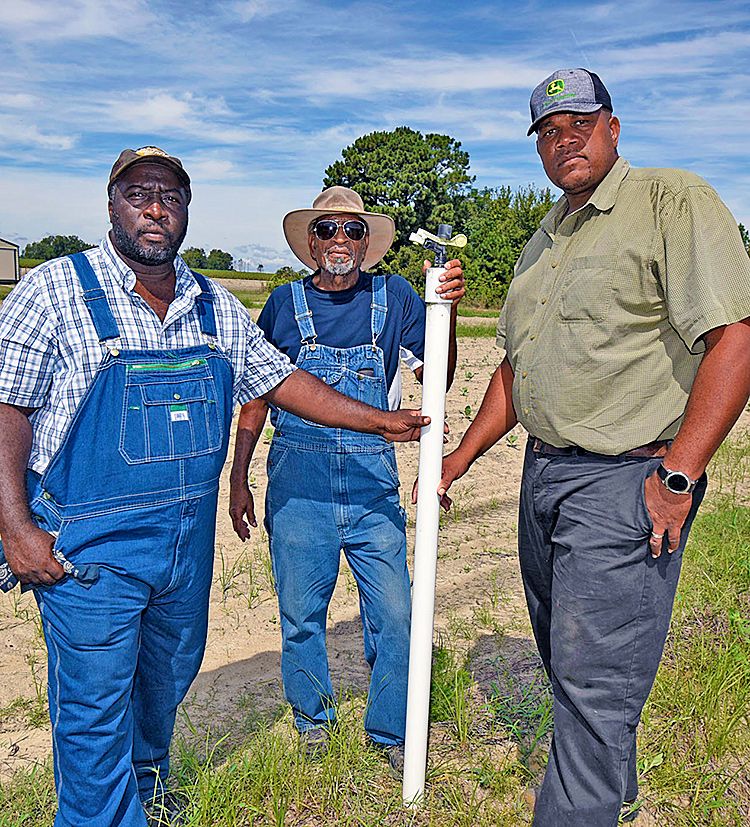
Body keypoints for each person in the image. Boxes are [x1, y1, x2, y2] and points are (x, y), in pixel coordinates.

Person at [0, 148, 431, 827]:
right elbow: (7, 408)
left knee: (164, 680)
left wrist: (381, 420)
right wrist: (14, 525)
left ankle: (148, 780)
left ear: (187, 210)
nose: (154, 206)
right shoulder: (55, 288)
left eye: (169, 194)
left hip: (182, 548)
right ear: (111, 204)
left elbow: (280, 381)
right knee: (93, 706)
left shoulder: (212, 304)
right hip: (88, 551)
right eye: (137, 192)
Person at [426, 69, 750, 825]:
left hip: (626, 478)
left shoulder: (670, 201)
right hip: (545, 476)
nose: (563, 138)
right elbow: (517, 367)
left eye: (579, 121)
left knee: (593, 682)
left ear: (613, 126)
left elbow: (733, 336)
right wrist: (459, 457)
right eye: (547, 130)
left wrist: (679, 474)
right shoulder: (546, 238)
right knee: (567, 660)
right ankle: (615, 787)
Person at [229, 186, 465, 770]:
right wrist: (238, 478)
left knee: (395, 614)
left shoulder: (397, 296)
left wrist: (448, 310)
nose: (341, 241)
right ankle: (313, 721)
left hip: (370, 483)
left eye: (353, 231)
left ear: (367, 243)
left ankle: (388, 733)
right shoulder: (282, 305)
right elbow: (260, 395)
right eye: (329, 230)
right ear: (310, 242)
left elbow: (440, 373)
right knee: (301, 614)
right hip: (298, 485)